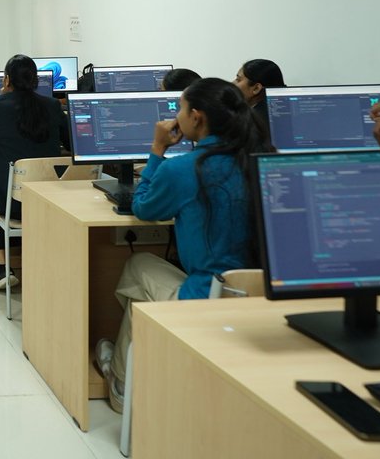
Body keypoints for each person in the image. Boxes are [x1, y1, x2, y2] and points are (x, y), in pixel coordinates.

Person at [93, 77, 270, 413]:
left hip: (209, 297)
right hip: (263, 299)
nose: (176, 115)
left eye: (180, 108)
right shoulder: (262, 159)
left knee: (138, 265)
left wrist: (158, 149)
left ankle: (121, 382)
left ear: (197, 117)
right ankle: (142, 355)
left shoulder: (185, 169)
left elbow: (144, 208)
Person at [0, 54, 71, 290]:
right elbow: (71, 145)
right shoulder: (53, 105)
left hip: (13, 202)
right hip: (52, 197)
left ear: (7, 79)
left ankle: (2, 268)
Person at [233, 58, 285, 140]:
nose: (232, 83)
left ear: (256, 88)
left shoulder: (253, 123)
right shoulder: (283, 111)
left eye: (238, 80)